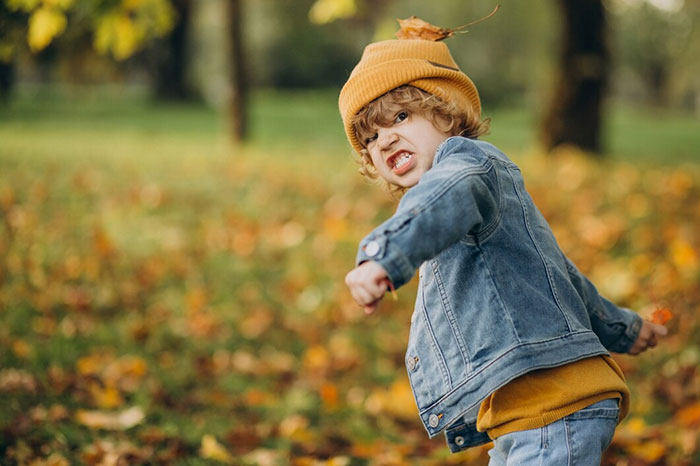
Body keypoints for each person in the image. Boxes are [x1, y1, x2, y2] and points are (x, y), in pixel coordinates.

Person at [338, 36, 668, 464]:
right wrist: (624, 327)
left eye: (400, 116)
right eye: (371, 137)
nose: (384, 141)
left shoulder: (467, 165)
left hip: (552, 407)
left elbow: (447, 191)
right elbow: (560, 278)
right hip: (526, 413)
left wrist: (384, 254)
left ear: (447, 111)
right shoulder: (462, 208)